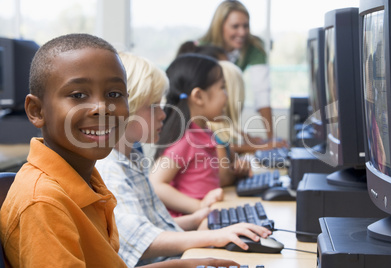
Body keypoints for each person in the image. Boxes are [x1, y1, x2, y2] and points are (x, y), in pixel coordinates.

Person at [0, 33, 239, 268]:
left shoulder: (87, 178)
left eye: (114, 94)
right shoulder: (44, 202)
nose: (101, 108)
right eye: (78, 95)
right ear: (36, 111)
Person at [96, 52, 271, 267]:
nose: (163, 114)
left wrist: (198, 218)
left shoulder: (131, 159)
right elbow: (142, 241)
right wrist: (213, 235)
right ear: (124, 108)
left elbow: (153, 226)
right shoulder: (109, 169)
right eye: (153, 106)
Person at [150, 53, 238, 217]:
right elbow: (156, 184)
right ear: (198, 96)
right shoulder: (186, 140)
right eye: (222, 88)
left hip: (204, 218)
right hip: (189, 226)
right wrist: (199, 206)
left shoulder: (204, 133)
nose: (226, 95)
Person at [199, 0, 274, 140]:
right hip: (205, 124)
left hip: (224, 125)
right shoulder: (202, 50)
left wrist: (270, 139)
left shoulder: (253, 47)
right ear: (220, 27)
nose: (242, 32)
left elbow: (262, 93)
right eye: (235, 26)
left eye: (246, 26)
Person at [208, 60, 288, 155]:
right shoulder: (209, 127)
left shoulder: (225, 124)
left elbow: (232, 136)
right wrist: (261, 146)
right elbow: (227, 147)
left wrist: (252, 140)